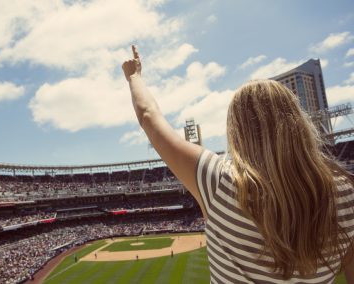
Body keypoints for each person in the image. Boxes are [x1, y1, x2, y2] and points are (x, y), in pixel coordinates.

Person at [122, 45, 354, 283]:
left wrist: (134, 77)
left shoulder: (219, 181)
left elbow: (148, 115)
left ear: (237, 131)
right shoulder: (346, 193)